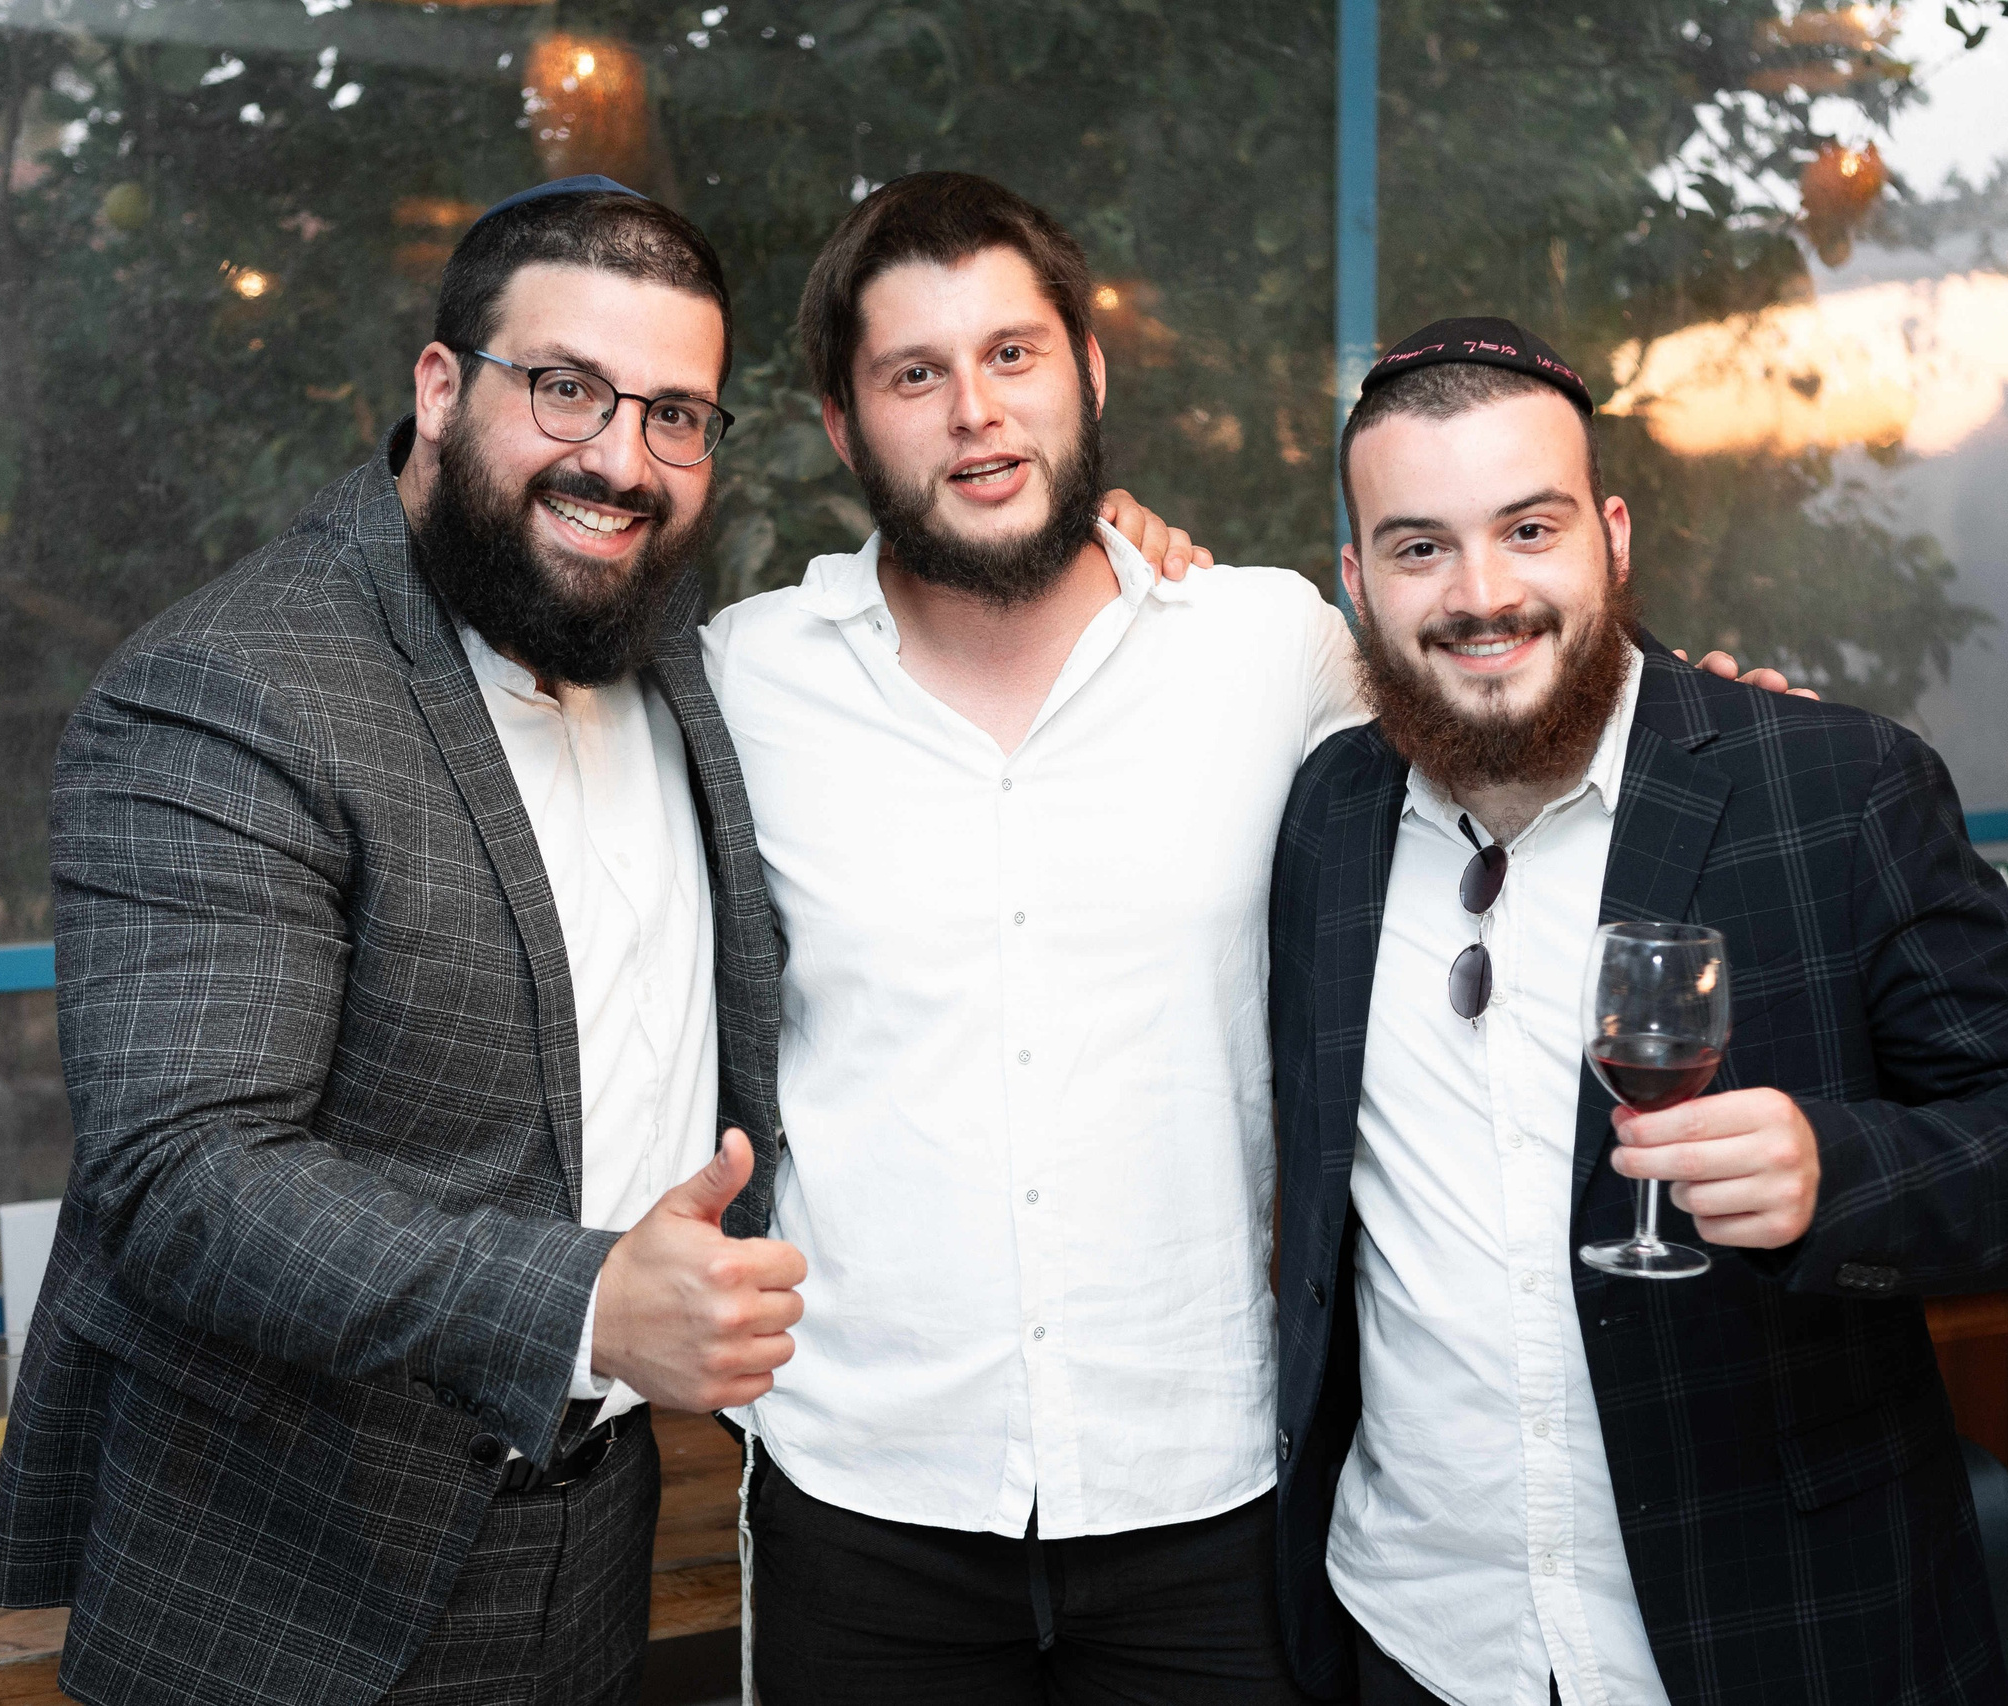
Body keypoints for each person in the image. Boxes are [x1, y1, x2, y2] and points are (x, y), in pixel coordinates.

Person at [705, 178, 1796, 1705]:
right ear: (842, 422)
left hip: (1210, 1488)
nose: (974, 412)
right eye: (914, 373)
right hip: (864, 1489)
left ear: (1090, 373)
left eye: (1013, 354)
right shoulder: (746, 678)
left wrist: (1695, 717)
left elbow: (1493, 685)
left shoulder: (1264, 643)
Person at [0, 178, 811, 1706]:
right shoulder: (234, 685)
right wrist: (583, 1303)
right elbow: (185, 1176)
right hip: (293, 1591)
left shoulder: (668, 647)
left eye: (676, 415)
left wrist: (1110, 552)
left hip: (598, 1543)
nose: (622, 461)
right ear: (438, 387)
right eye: (566, 387)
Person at [1266, 318, 2008, 1706]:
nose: (1482, 594)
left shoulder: (1831, 790)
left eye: (1530, 528)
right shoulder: (1326, 819)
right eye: (1420, 546)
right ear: (1356, 580)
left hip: (1772, 1641)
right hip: (1413, 1639)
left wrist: (1835, 1173)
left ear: (1612, 538)